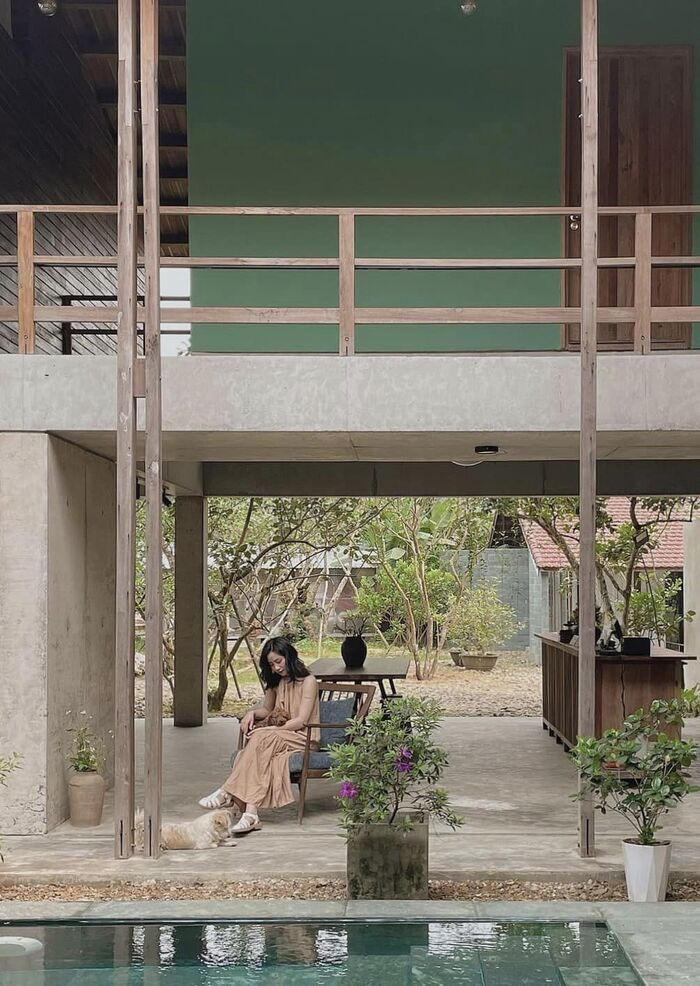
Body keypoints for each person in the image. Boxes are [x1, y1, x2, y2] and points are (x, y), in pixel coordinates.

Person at [198, 637, 320, 835]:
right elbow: (267, 710)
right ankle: (251, 813)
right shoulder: (276, 681)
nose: (276, 668)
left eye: (278, 661)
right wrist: (252, 714)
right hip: (278, 739)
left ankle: (227, 792)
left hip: (303, 737)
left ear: (289, 656)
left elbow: (301, 721)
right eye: (271, 665)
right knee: (255, 754)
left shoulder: (309, 681)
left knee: (260, 738)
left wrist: (270, 730)